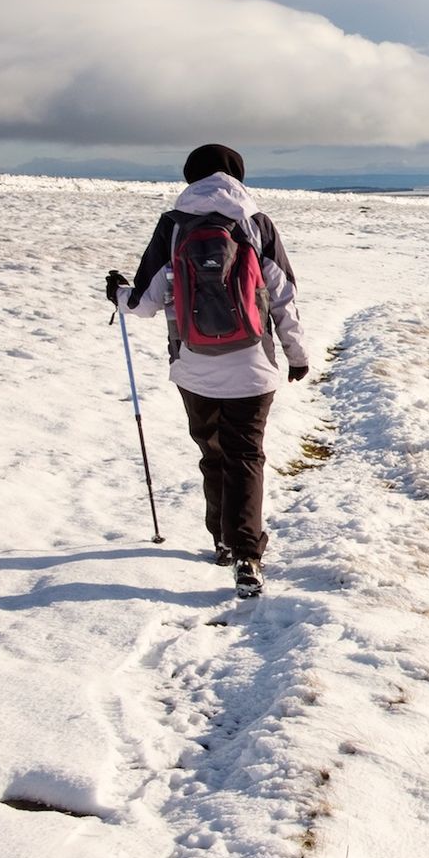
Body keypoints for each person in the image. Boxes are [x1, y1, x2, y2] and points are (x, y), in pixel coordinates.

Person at [103, 144, 309, 596]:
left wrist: (118, 294)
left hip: (193, 368)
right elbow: (282, 296)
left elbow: (145, 302)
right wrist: (296, 355)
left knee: (213, 452)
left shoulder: (174, 226)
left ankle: (220, 539)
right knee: (246, 455)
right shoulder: (256, 224)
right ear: (238, 174)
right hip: (253, 367)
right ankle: (247, 555)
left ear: (190, 176)